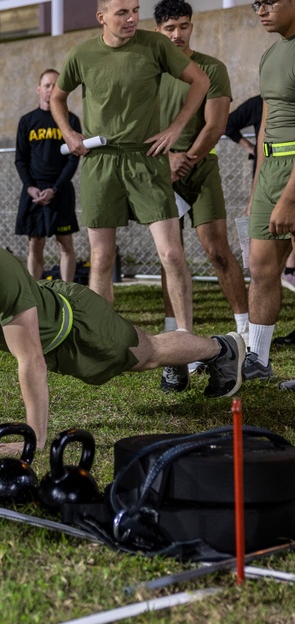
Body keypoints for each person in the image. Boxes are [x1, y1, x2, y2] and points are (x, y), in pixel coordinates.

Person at [0, 192, 244, 446]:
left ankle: (223, 349)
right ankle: (192, 359)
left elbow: (29, 357)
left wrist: (35, 435)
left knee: (147, 353)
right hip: (51, 342)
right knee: (146, 357)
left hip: (76, 324)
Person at [50, 0, 210, 339]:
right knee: (102, 257)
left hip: (146, 159)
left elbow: (200, 81)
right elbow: (57, 97)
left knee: (171, 252)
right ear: (102, 18)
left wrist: (176, 127)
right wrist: (69, 132)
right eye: (122, 12)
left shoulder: (155, 45)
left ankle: (185, 339)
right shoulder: (81, 54)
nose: (132, 18)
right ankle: (102, 341)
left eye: (135, 10)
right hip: (100, 161)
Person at [153, 0, 250, 392]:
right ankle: (180, 344)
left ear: (192, 27)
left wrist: (187, 160)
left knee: (217, 250)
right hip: (161, 168)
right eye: (170, 28)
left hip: (201, 167)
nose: (178, 34)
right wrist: (169, 161)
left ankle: (246, 337)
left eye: (184, 26)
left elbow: (217, 123)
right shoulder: (150, 71)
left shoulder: (211, 68)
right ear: (158, 30)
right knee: (168, 257)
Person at [241, 0, 295, 381]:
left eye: (270, 1)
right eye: (256, 3)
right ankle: (257, 360)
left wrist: (290, 196)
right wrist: (258, 185)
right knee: (261, 267)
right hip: (271, 168)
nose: (261, 10)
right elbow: (265, 122)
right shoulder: (270, 53)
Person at [15, 69, 81, 284]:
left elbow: (73, 160)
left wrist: (56, 188)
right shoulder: (27, 121)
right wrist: (29, 187)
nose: (51, 89)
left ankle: (67, 293)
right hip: (34, 192)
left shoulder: (70, 120)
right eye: (47, 85)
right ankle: (35, 293)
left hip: (59, 191)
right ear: (38, 89)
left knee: (65, 244)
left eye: (55, 85)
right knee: (35, 244)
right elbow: (21, 159)